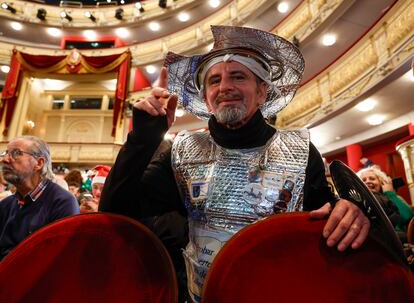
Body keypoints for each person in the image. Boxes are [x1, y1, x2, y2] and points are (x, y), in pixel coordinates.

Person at [99, 26, 370, 302]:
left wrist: (349, 209)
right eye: (214, 81)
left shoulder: (299, 150)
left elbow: (325, 219)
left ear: (263, 91)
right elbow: (115, 210)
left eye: (238, 77)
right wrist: (143, 139)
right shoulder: (181, 152)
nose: (225, 87)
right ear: (206, 97)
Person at [0, 135, 79, 260]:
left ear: (39, 163)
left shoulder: (62, 202)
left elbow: (59, 259)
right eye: (5, 153)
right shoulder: (5, 205)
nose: (4, 159)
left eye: (16, 153)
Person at [357, 167, 414, 233]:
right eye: (363, 180)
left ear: (382, 182)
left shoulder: (394, 197)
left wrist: (390, 194)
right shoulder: (358, 202)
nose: (368, 181)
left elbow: (408, 217)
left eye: (372, 179)